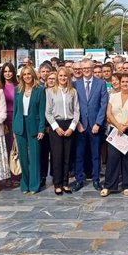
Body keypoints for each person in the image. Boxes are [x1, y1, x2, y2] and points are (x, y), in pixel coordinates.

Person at [74, 59, 109, 191]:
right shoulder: (75, 84)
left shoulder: (101, 84)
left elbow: (103, 104)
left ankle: (95, 180)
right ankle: (79, 180)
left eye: (88, 67)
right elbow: (73, 105)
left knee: (96, 155)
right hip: (80, 125)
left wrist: (98, 123)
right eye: (84, 68)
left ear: (93, 67)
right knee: (79, 154)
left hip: (95, 125)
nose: (86, 70)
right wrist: (77, 123)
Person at [45, 67, 80, 195]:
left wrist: (72, 127)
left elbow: (77, 111)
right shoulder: (50, 92)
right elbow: (48, 112)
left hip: (69, 124)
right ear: (57, 77)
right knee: (57, 156)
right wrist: (56, 127)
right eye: (60, 76)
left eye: (65, 76)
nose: (63, 78)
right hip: (56, 125)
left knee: (67, 156)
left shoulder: (73, 91)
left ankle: (65, 183)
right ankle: (57, 183)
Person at [12, 66, 46, 194]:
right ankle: (24, 184)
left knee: (34, 157)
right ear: (21, 76)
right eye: (24, 74)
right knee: (23, 157)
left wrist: (41, 129)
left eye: (29, 74)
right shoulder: (18, 90)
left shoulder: (40, 90)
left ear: (33, 75)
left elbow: (42, 111)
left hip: (34, 127)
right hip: (20, 126)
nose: (27, 76)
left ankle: (34, 185)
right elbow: (15, 110)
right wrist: (14, 128)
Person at [103, 73, 128, 197]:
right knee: (113, 158)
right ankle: (109, 185)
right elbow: (109, 113)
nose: (124, 84)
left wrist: (125, 126)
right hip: (115, 130)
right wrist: (118, 125)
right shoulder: (113, 96)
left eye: (127, 82)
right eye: (122, 81)